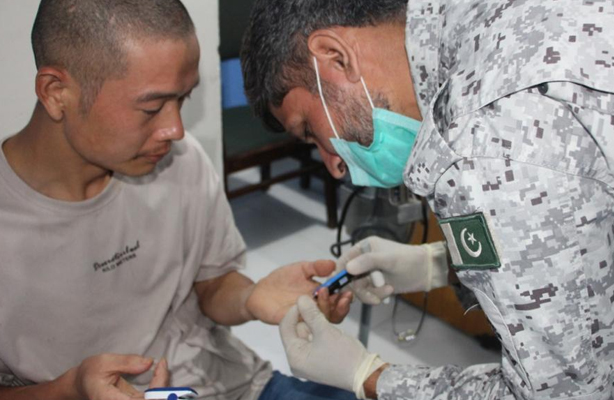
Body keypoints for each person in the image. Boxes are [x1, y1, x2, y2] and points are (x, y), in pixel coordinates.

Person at [240, 0, 614, 399]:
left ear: (334, 57)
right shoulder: (492, 26)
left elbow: (571, 392)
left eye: (309, 130)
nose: (333, 164)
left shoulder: (485, 140)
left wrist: (370, 376)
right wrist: (437, 265)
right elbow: (605, 219)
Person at [0, 1, 356, 400]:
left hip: (235, 387)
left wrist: (251, 298)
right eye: (151, 108)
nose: (175, 129)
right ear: (56, 92)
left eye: (183, 100)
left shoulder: (178, 160)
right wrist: (70, 390)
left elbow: (213, 285)